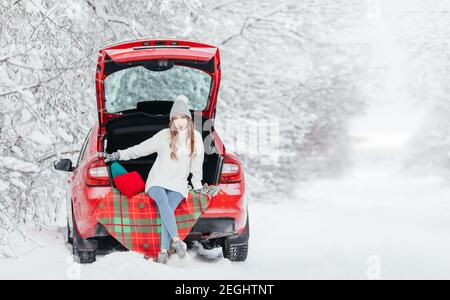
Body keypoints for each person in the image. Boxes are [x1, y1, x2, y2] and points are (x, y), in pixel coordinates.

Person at [99, 95, 208, 264]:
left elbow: (196, 166)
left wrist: (198, 185)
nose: (179, 122)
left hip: (178, 184)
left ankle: (163, 251)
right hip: (156, 181)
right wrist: (119, 154)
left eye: (183, 118)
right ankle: (176, 241)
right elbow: (140, 149)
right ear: (171, 120)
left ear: (188, 119)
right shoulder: (164, 135)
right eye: (176, 118)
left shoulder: (196, 138)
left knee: (167, 212)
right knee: (163, 203)